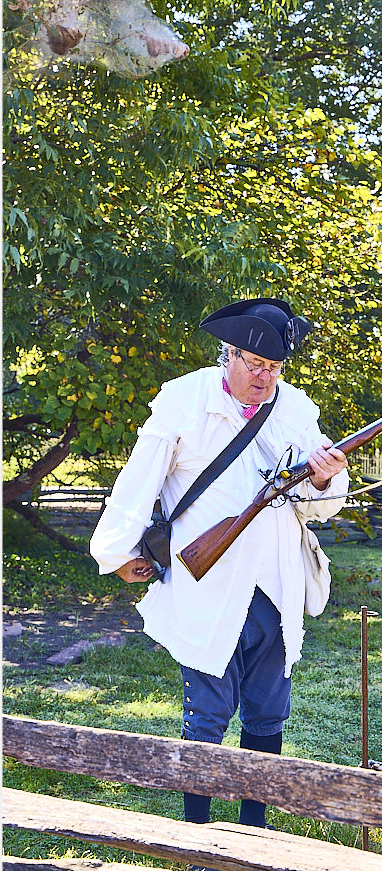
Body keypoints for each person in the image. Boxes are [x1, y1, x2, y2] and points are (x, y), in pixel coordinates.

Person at [90, 298, 349, 830]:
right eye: (255, 365)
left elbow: (323, 504)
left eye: (275, 368)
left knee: (267, 715)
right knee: (206, 718)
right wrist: (118, 552)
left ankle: (253, 833)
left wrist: (324, 478)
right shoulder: (184, 399)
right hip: (205, 581)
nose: (264, 378)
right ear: (229, 353)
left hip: (276, 584)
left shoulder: (296, 409)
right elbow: (138, 482)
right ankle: (197, 836)